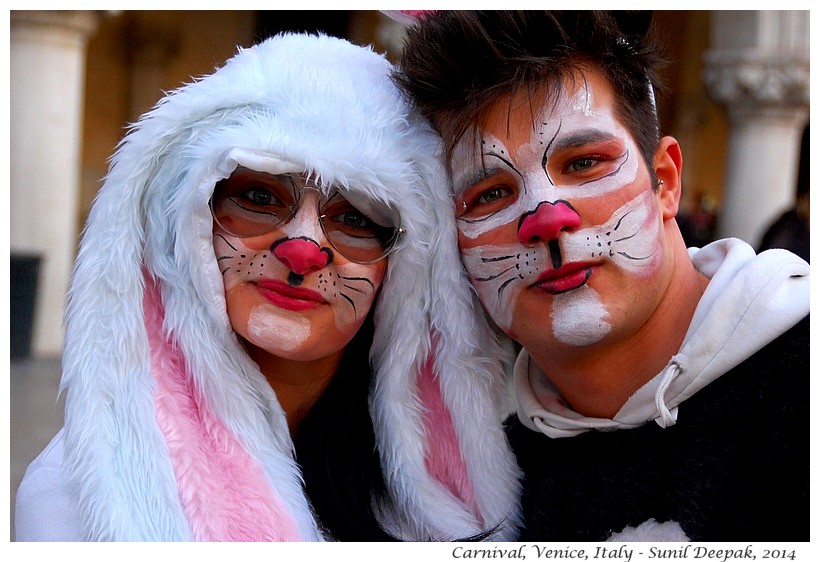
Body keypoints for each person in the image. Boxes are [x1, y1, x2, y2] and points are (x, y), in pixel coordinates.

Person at [15, 32, 521, 542]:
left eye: (356, 218)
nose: (302, 250)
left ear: (405, 270)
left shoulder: (451, 500)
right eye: (259, 196)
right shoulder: (80, 495)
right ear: (192, 221)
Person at [395, 11, 809, 541]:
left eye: (584, 162)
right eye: (490, 194)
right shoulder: (482, 492)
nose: (546, 219)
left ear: (664, 181)